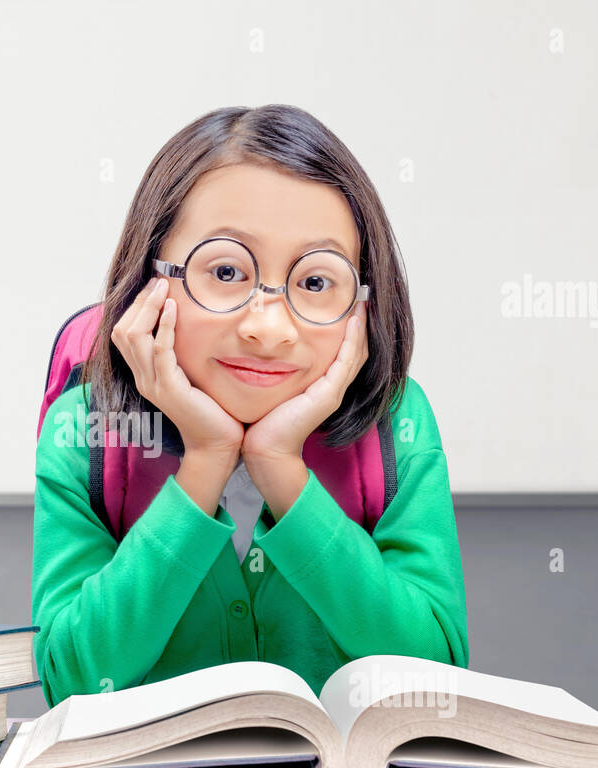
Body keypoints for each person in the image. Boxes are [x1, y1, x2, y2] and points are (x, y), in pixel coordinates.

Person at [31, 103, 468, 709]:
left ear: (364, 302)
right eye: (227, 270)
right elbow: (71, 678)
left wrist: (281, 469)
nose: (268, 327)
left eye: (315, 282)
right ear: (150, 279)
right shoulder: (87, 429)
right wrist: (207, 459)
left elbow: (434, 674)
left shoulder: (397, 422)